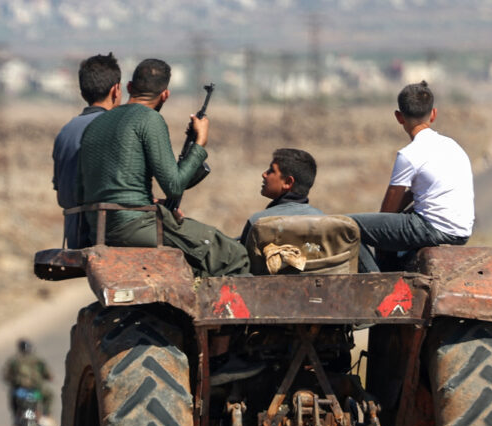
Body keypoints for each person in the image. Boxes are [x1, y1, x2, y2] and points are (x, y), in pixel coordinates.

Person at [77, 57, 249, 276]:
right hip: (135, 226)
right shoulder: (150, 119)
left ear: (130, 87)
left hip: (98, 228)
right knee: (232, 255)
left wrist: (144, 202)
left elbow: (85, 188)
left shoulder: (96, 123)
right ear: (165, 94)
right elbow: (174, 186)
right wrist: (200, 143)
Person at [349, 80, 474, 272]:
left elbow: (388, 211)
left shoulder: (409, 154)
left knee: (349, 226)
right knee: (390, 228)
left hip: (432, 228)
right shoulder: (453, 146)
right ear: (433, 114)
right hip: (461, 230)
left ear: (399, 117)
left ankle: (376, 280)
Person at [52, 53, 121, 248]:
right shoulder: (115, 127)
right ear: (116, 90)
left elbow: (61, 188)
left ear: (82, 93)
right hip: (105, 233)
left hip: (73, 234)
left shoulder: (65, 131)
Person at [238, 147, 324, 251]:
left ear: (288, 182)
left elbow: (242, 264)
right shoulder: (323, 220)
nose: (264, 174)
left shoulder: (259, 222)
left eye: (271, 170)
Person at [3, 338, 53, 426]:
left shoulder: (14, 360)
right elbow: (47, 373)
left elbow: (6, 376)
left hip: (25, 390)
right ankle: (46, 415)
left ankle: (17, 416)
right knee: (49, 395)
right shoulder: (37, 360)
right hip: (33, 389)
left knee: (12, 397)